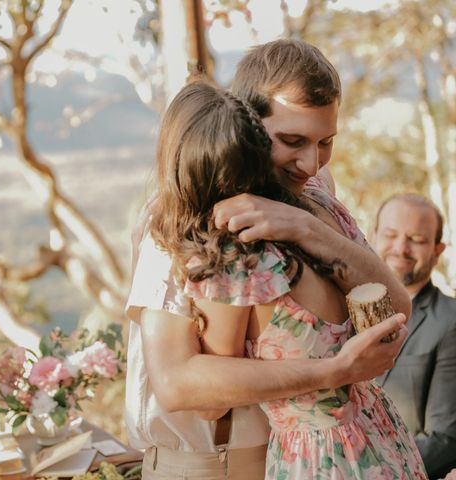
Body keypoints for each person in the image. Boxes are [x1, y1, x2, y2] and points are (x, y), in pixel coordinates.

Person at [126, 39, 411, 479]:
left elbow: (396, 309)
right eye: (292, 141)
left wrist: (306, 227)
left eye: (326, 142)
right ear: (248, 126)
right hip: (209, 465)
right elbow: (186, 388)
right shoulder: (187, 222)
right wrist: (335, 370)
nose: (312, 164)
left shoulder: (314, 201)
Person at [373, 194, 456, 480]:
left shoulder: (451, 320)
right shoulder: (338, 307)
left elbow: (445, 439)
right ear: (373, 237)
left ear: (437, 250)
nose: (400, 248)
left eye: (417, 239)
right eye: (391, 235)